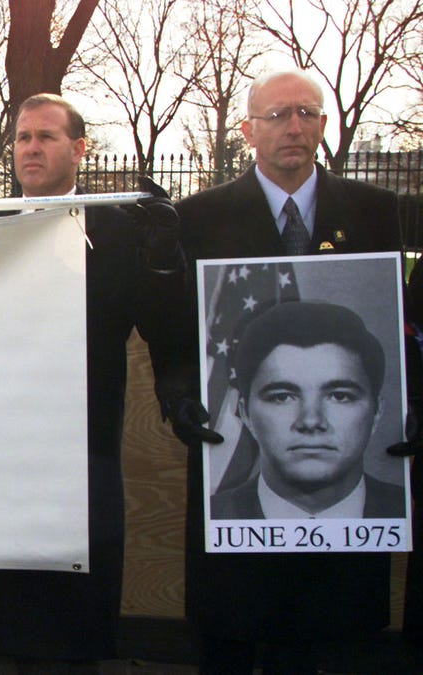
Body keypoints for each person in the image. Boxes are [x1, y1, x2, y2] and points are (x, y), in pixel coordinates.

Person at [155, 70, 402, 673]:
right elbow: (171, 328)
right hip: (230, 472)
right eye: (277, 115)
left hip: (343, 544)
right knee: (231, 635)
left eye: (307, 113)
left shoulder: (383, 214)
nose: (293, 127)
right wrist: (180, 388)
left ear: (322, 123)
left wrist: (412, 394)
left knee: (332, 639)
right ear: (247, 130)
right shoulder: (196, 219)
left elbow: (409, 323)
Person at [0, 94, 185, 669]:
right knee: (3, 618)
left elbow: (164, 325)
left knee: (72, 622)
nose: (31, 148)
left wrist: (162, 261)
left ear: (79, 150)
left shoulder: (118, 227)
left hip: (84, 447)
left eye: (46, 137)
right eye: (23, 138)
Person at [210, 300, 404, 519]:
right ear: (245, 414)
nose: (311, 421)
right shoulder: (208, 518)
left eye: (339, 396)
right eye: (282, 397)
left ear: (376, 413)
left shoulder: (411, 512)